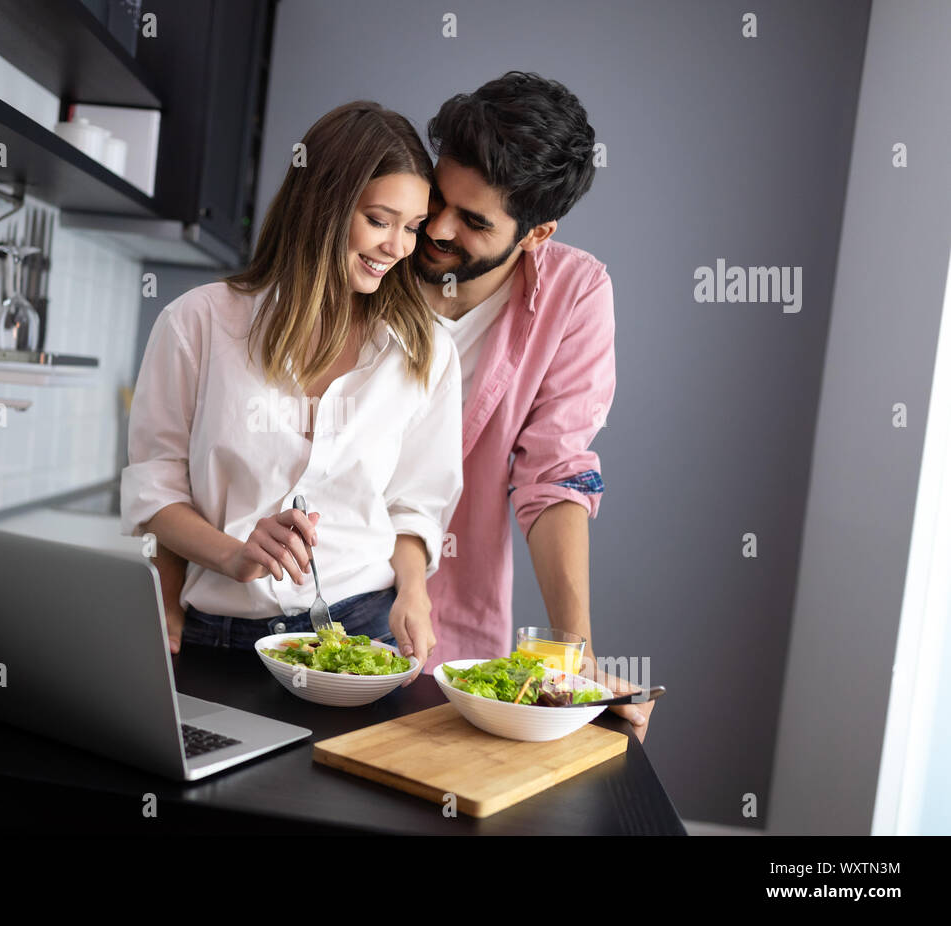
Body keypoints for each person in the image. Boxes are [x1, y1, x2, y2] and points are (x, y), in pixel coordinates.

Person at [120, 101, 463, 682]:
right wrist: (232, 553)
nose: (398, 248)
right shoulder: (197, 324)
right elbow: (156, 486)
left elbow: (415, 506)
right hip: (219, 638)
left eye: (412, 227)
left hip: (364, 639)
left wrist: (414, 592)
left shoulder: (425, 350)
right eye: (380, 221)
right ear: (323, 207)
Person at [414, 71, 655, 740]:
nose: (434, 228)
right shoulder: (376, 242)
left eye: (472, 221)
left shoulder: (576, 295)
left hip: (443, 624)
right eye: (438, 198)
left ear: (536, 232)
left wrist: (575, 661)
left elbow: (554, 475)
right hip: (301, 605)